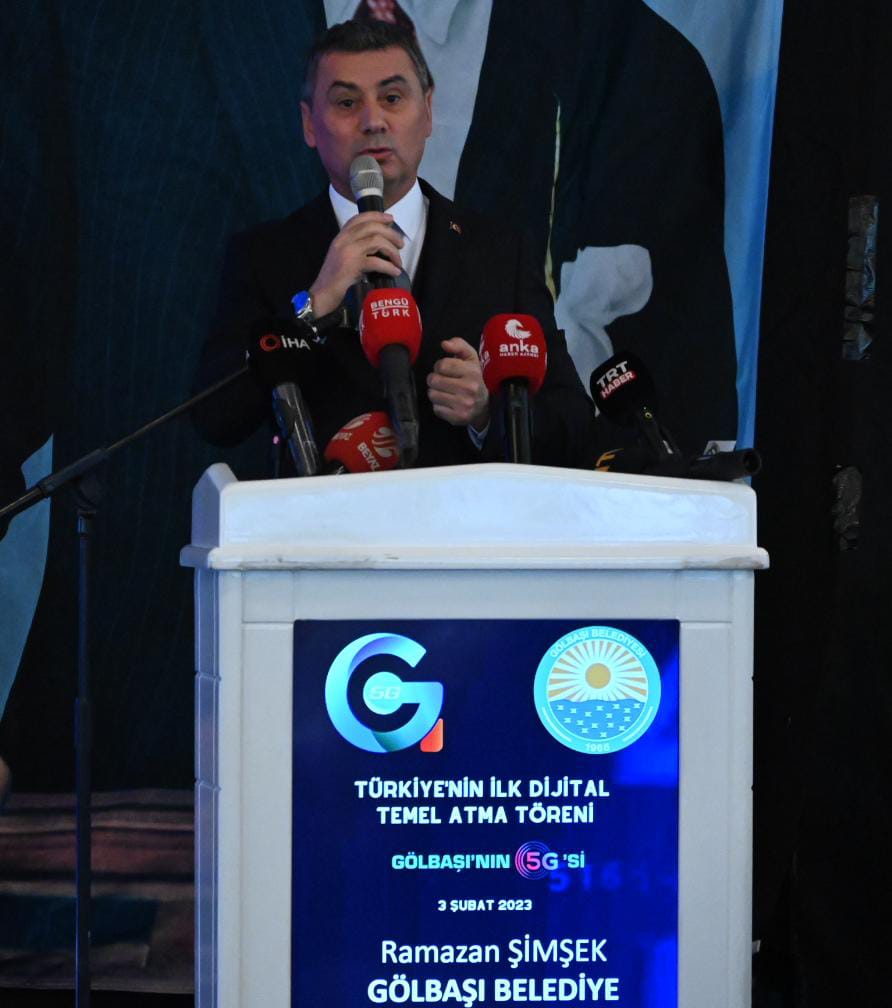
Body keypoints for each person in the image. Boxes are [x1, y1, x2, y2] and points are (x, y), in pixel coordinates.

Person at [192, 19, 595, 469]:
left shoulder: (500, 252)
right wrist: (314, 306)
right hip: (326, 512)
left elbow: (574, 424)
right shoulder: (264, 255)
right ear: (309, 124)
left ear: (428, 112)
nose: (373, 122)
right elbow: (216, 417)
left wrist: (488, 411)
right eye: (347, 102)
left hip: (464, 512)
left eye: (392, 98)